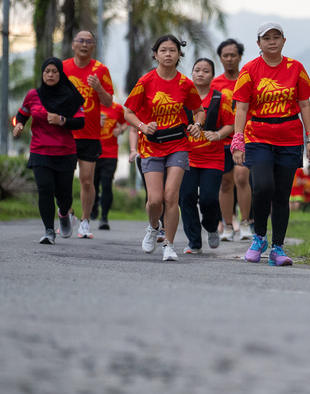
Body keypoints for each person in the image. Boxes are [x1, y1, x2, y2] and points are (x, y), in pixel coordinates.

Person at [230, 22, 310, 266]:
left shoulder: (296, 68)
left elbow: (304, 104)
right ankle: (259, 238)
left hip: (289, 137)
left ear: (284, 41)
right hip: (258, 136)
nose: (272, 41)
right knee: (262, 186)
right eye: (266, 38)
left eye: (276, 37)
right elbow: (242, 108)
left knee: (281, 194)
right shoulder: (249, 70)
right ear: (258, 43)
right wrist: (238, 140)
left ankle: (278, 248)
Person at [123, 34, 204, 262]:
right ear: (156, 55)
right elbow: (128, 112)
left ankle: (169, 244)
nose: (168, 54)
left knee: (171, 196)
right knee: (155, 200)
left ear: (179, 55)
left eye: (172, 50)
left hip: (178, 144)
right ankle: (153, 227)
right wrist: (142, 126)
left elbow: (199, 110)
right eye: (163, 50)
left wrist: (197, 125)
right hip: (151, 146)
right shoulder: (145, 82)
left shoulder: (185, 84)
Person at [12, 58, 85, 244]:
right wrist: (19, 125)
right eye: (47, 71)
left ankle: (64, 213)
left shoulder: (71, 96)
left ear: (60, 74)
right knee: (45, 189)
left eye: (54, 71)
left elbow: (80, 122)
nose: (50, 75)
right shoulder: (33, 95)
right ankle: (49, 231)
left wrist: (62, 120)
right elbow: (22, 114)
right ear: (42, 74)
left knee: (64, 195)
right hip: (40, 151)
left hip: (65, 152)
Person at [179, 58, 235, 254]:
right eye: (197, 70)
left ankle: (211, 227)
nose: (201, 74)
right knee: (186, 198)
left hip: (213, 159)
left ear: (212, 75)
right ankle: (194, 242)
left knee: (208, 199)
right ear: (192, 73)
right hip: (186, 158)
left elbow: (231, 124)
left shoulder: (220, 99)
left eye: (206, 71)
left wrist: (218, 135)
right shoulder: (182, 97)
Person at [63, 30, 114, 239]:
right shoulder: (63, 68)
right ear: (73, 44)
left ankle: (85, 221)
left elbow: (108, 102)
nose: (84, 44)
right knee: (64, 180)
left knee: (86, 181)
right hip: (65, 133)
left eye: (89, 41)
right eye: (80, 41)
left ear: (93, 46)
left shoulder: (101, 70)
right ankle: (68, 214)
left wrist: (99, 88)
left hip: (90, 134)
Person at [210, 39, 253, 242]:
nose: (229, 59)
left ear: (240, 57)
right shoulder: (215, 84)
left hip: (245, 138)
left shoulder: (247, 79)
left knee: (242, 178)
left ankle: (245, 223)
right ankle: (227, 226)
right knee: (226, 183)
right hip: (222, 140)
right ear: (220, 58)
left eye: (233, 55)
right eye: (225, 55)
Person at [91, 99, 126, 230]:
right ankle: (94, 204)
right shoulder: (91, 105)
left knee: (106, 184)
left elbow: (125, 123)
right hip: (93, 151)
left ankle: (104, 217)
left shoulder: (117, 108)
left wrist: (120, 130)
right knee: (93, 184)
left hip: (110, 153)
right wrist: (94, 123)